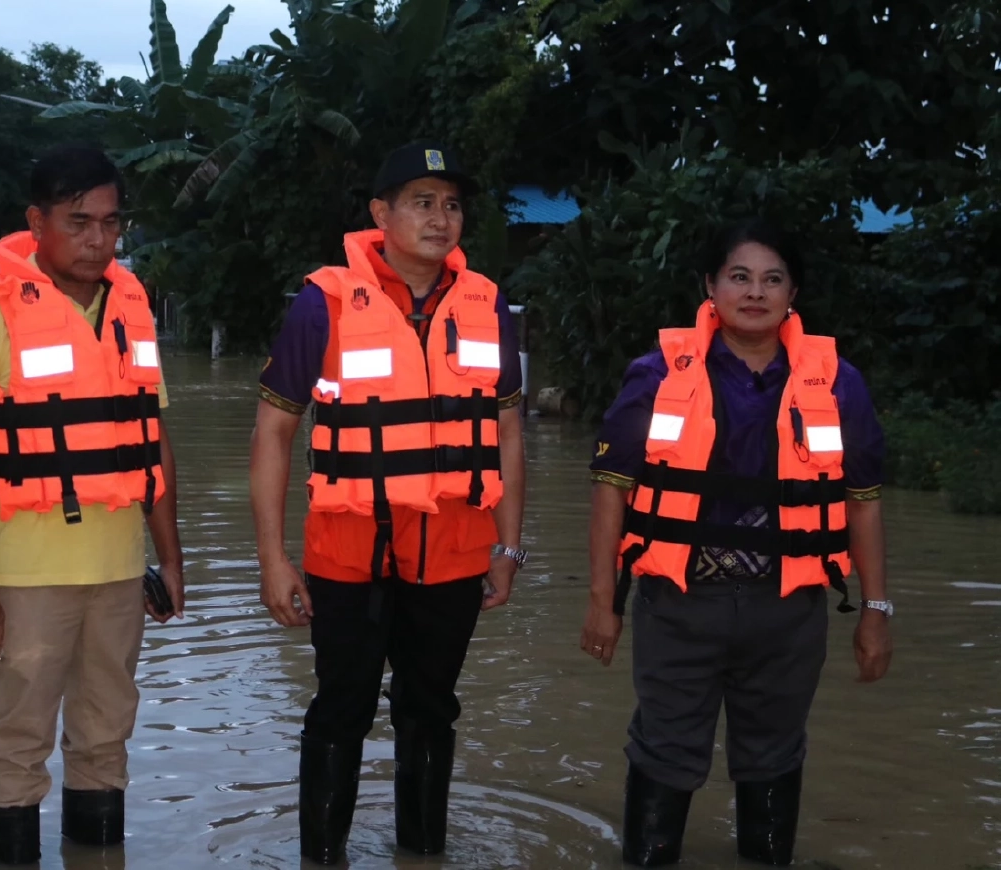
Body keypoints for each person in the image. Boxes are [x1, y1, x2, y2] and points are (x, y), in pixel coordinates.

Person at [579, 219, 894, 867]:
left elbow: (863, 504)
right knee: (664, 749)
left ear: (793, 293)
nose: (756, 292)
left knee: (775, 755)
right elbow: (611, 489)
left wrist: (876, 609)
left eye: (773, 279)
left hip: (790, 611)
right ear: (711, 286)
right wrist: (601, 600)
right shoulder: (656, 373)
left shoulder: (839, 383)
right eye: (740, 277)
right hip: (678, 602)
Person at [250, 141, 528, 864]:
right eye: (422, 201)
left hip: (457, 546)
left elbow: (506, 431)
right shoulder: (325, 304)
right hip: (347, 550)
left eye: (452, 204)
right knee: (341, 708)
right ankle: (321, 857)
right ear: (381, 212)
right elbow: (275, 432)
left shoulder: (489, 307)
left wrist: (509, 546)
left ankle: (422, 855)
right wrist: (273, 558)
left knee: (431, 711)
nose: (441, 218)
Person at [0, 144, 186, 865]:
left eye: (110, 224)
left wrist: (169, 556)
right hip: (24, 576)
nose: (98, 240)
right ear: (36, 222)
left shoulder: (132, 310)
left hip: (116, 568)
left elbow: (154, 441)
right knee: (19, 744)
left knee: (105, 738)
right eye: (79, 222)